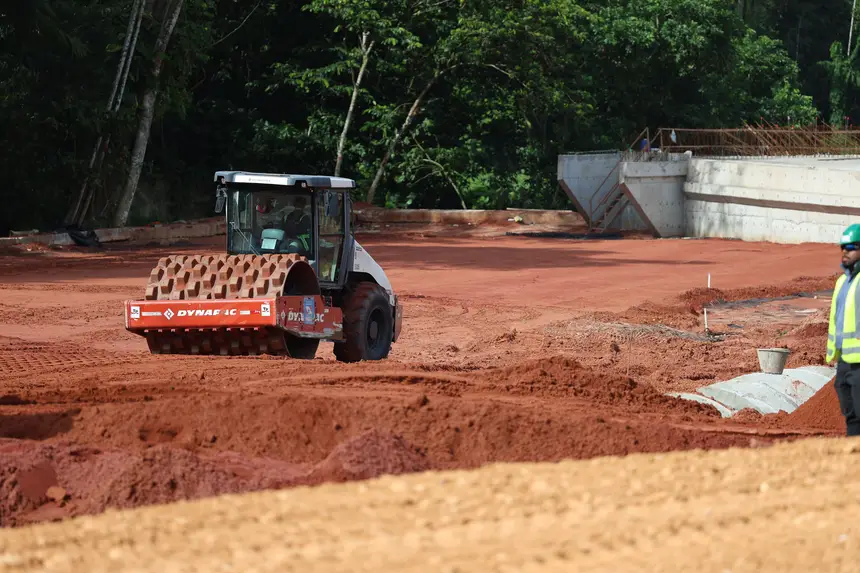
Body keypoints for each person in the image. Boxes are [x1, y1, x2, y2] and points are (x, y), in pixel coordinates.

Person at [827, 223, 860, 436]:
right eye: (843, 247)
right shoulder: (842, 282)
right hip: (844, 361)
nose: (845, 252)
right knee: (851, 416)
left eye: (851, 247)